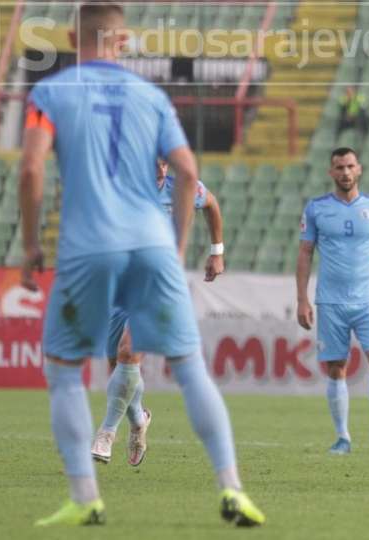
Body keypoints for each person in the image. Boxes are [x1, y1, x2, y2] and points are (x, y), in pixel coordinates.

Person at [19, 3, 263, 526]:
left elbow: (33, 167)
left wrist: (34, 244)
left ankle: (85, 496)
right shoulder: (152, 98)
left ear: (69, 36)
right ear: (123, 41)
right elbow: (188, 168)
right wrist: (175, 248)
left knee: (65, 374)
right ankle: (233, 489)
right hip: (151, 248)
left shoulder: (51, 94)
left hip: (88, 247)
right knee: (190, 369)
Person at [91, 158, 225, 467]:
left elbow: (212, 205)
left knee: (128, 352)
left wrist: (217, 252)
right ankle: (139, 419)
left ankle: (106, 433)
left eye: (165, 162)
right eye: (154, 162)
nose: (161, 169)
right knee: (117, 365)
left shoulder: (183, 188)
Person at [296, 147, 369, 455]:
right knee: (336, 368)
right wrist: (302, 299)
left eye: (350, 166)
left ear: (359, 169)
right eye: (339, 167)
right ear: (331, 172)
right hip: (330, 302)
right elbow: (305, 254)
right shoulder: (316, 208)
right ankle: (342, 437)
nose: (345, 172)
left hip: (368, 301)